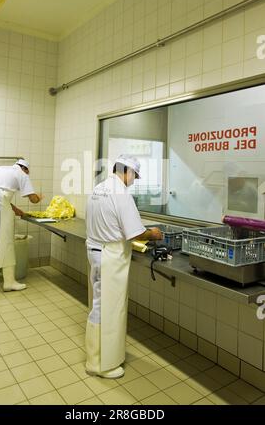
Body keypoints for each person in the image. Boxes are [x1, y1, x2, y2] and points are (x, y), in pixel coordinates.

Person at [85, 154, 163, 379]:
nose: (134, 181)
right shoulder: (121, 194)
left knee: (99, 304)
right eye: (135, 176)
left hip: (95, 250)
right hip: (110, 256)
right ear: (128, 171)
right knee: (108, 308)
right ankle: (101, 364)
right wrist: (154, 234)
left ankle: (96, 357)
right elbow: (136, 233)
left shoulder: (99, 189)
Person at [0, 159, 42, 292]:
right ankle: (9, 283)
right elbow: (33, 199)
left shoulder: (0, 169)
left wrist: (17, 211)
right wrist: (39, 197)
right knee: (6, 244)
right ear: (25, 169)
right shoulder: (22, 174)